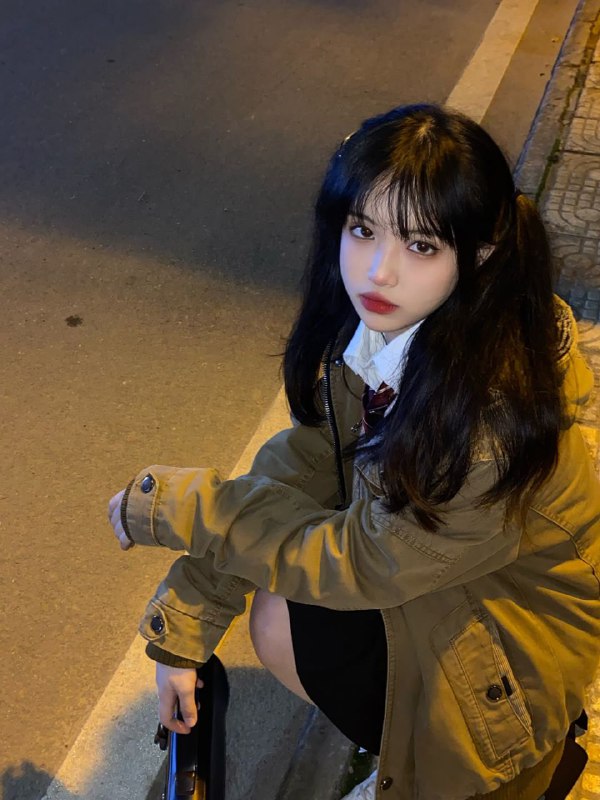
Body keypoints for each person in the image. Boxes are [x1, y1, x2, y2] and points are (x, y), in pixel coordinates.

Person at [108, 104, 600, 800]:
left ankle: (466, 766)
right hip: (443, 585)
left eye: (421, 245)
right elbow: (309, 462)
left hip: (511, 668)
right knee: (284, 605)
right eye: (363, 230)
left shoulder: (488, 426)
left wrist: (180, 509)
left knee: (295, 600)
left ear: (482, 253)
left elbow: (358, 563)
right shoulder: (399, 330)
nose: (378, 271)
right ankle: (402, 742)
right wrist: (188, 621)